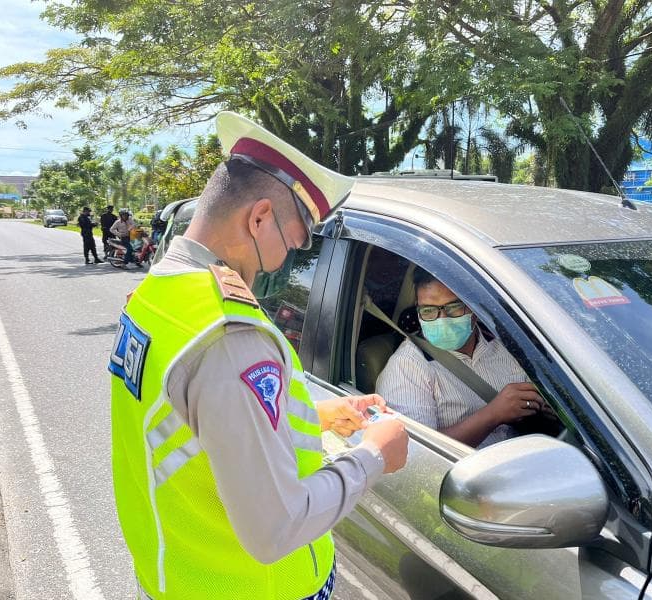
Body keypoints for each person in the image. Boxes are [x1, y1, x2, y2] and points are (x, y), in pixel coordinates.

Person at [109, 111, 409, 600]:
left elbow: (195, 426)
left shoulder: (159, 294)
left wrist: (317, 416)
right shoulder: (229, 336)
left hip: (179, 572)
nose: (290, 257)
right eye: (296, 239)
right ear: (260, 217)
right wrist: (375, 455)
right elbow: (277, 528)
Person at [376, 267, 553, 448]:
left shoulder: (504, 344)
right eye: (428, 310)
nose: (442, 319)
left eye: (454, 307)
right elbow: (417, 450)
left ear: (473, 308)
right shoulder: (407, 366)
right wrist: (493, 414)